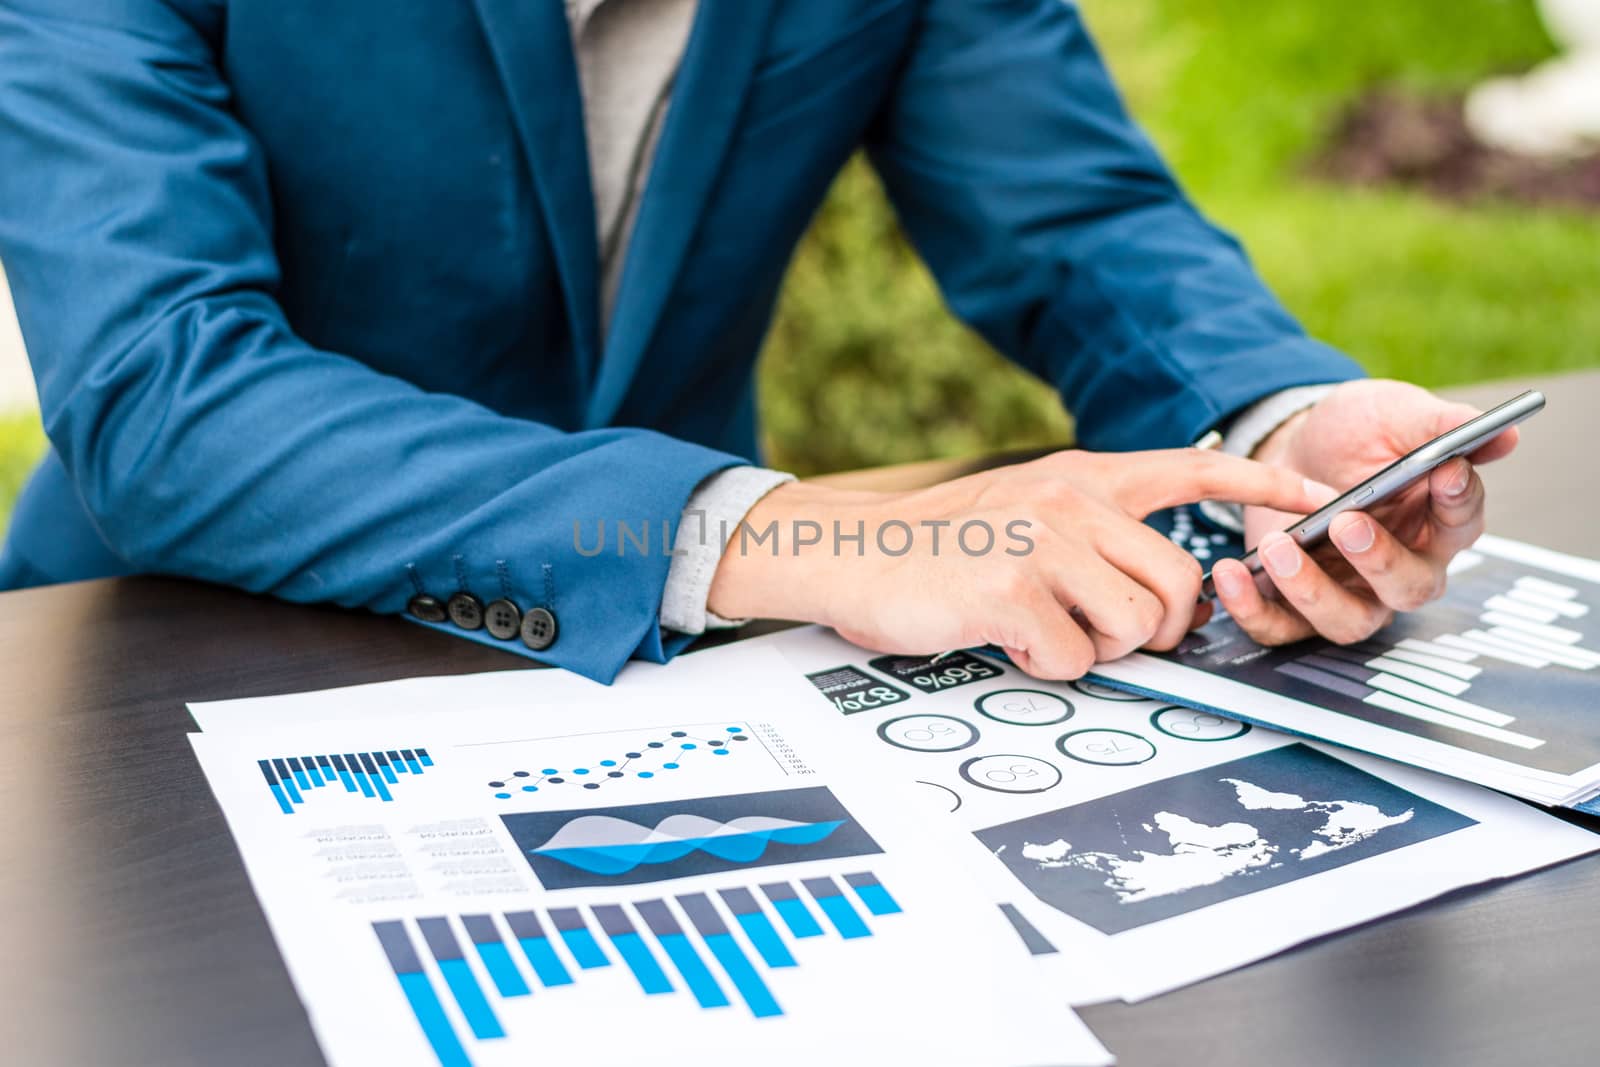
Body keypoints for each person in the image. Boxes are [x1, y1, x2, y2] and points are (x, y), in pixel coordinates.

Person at [0, 0, 1515, 683]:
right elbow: (162, 398)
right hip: (165, 668)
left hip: (682, 668)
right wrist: (805, 534)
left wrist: (1272, 425)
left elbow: (1077, 219)